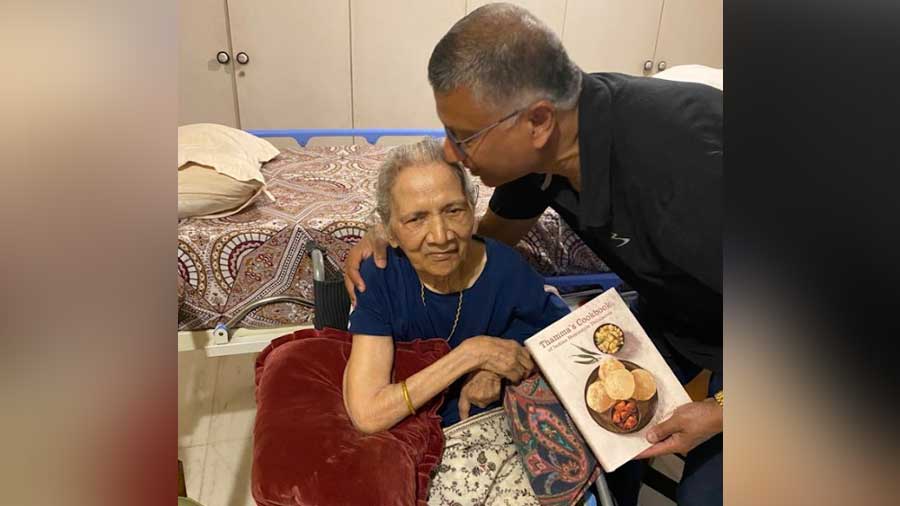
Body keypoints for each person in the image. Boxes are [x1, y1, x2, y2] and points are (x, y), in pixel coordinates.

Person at [343, 4, 723, 505]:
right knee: (605, 444)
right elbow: (481, 243)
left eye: (463, 137)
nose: (451, 154)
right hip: (679, 313)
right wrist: (395, 234)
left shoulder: (687, 173)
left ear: (538, 122)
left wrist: (716, 411)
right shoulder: (542, 153)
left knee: (705, 495)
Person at [342, 138, 570, 433]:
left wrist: (493, 368)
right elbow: (368, 414)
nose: (440, 236)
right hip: (406, 434)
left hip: (486, 432)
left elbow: (546, 336)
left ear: (472, 209)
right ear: (389, 232)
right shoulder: (381, 275)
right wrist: (471, 354)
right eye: (416, 218)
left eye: (453, 211)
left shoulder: (505, 269)